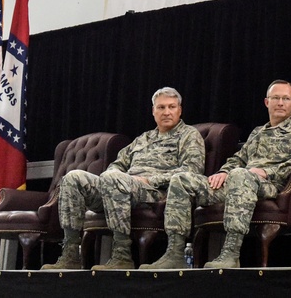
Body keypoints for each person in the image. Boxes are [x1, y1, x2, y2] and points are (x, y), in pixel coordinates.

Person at [141, 79, 291, 269]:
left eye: (285, 98)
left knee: (240, 175)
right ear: (266, 102)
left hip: (272, 186)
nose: (280, 102)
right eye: (275, 97)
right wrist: (224, 172)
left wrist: (266, 171)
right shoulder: (258, 133)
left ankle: (231, 253)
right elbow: (238, 159)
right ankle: (175, 253)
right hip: (240, 181)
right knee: (181, 180)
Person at [42, 87, 205, 271]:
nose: (166, 112)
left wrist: (149, 180)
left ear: (180, 110)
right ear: (153, 111)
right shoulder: (143, 138)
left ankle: (122, 254)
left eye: (171, 107)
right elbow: (117, 165)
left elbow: (191, 171)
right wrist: (111, 179)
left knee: (114, 180)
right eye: (161, 107)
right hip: (120, 187)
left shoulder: (189, 135)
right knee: (73, 178)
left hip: (156, 193)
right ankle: (71, 253)